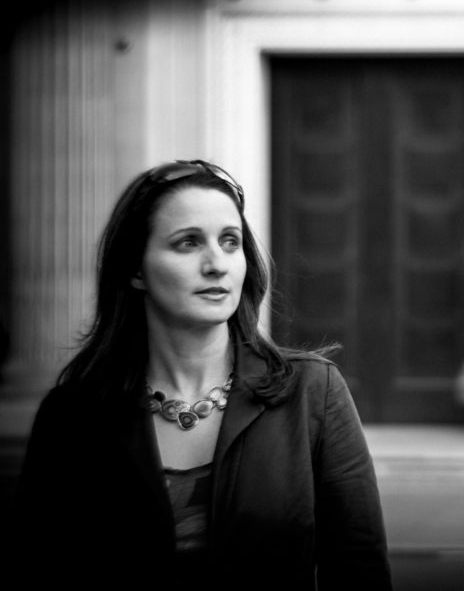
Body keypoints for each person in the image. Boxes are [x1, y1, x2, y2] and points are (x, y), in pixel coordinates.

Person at [13, 159, 392, 590]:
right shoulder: (73, 416)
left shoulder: (313, 393)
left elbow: (360, 569)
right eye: (188, 243)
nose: (217, 264)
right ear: (136, 270)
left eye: (230, 242)